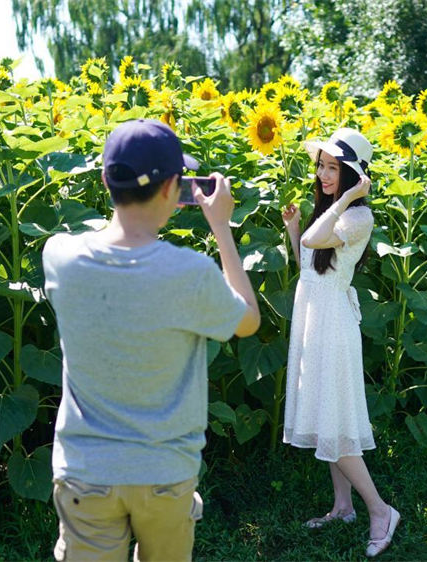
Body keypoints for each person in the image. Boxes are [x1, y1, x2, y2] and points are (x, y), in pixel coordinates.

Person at [42, 118, 260, 562]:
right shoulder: (190, 274)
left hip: (86, 471)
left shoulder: (59, 256)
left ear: (106, 180)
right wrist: (221, 226)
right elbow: (249, 321)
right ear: (172, 189)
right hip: (164, 473)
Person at [281, 127, 400, 558]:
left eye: (334, 168)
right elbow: (309, 264)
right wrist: (294, 229)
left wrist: (347, 199)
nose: (323, 174)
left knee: (336, 424)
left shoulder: (356, 216)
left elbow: (319, 241)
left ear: (353, 176)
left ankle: (381, 511)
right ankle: (343, 506)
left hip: (332, 324)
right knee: (327, 413)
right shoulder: (329, 212)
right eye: (322, 165)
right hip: (316, 318)